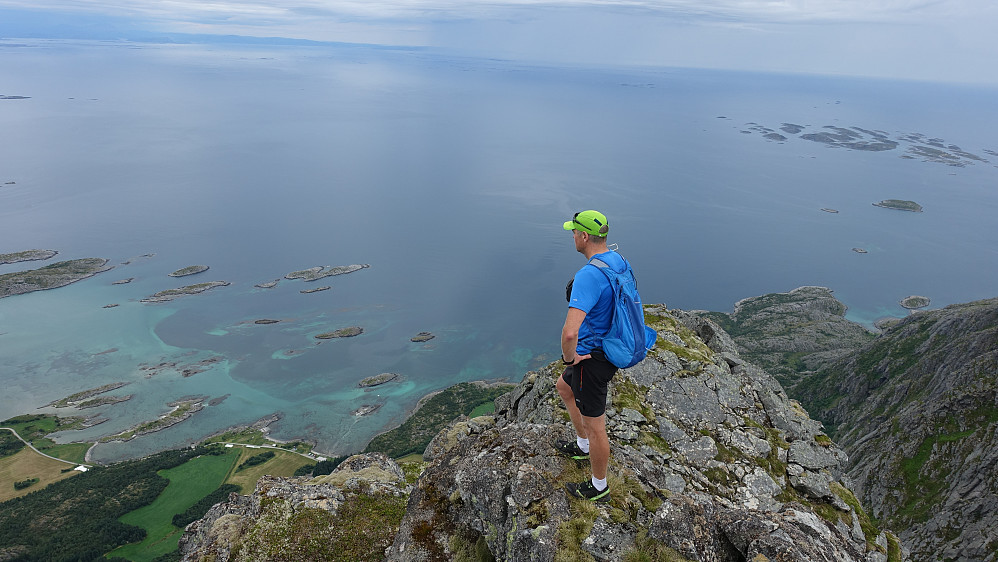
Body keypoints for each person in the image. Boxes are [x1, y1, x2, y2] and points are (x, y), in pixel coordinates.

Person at [555, 209, 636, 503]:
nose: (572, 237)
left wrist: (569, 358)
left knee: (596, 424)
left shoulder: (589, 275)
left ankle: (599, 486)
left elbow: (569, 333)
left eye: (574, 232)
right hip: (608, 347)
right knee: (563, 388)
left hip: (591, 358)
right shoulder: (616, 260)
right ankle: (583, 445)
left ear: (584, 236)